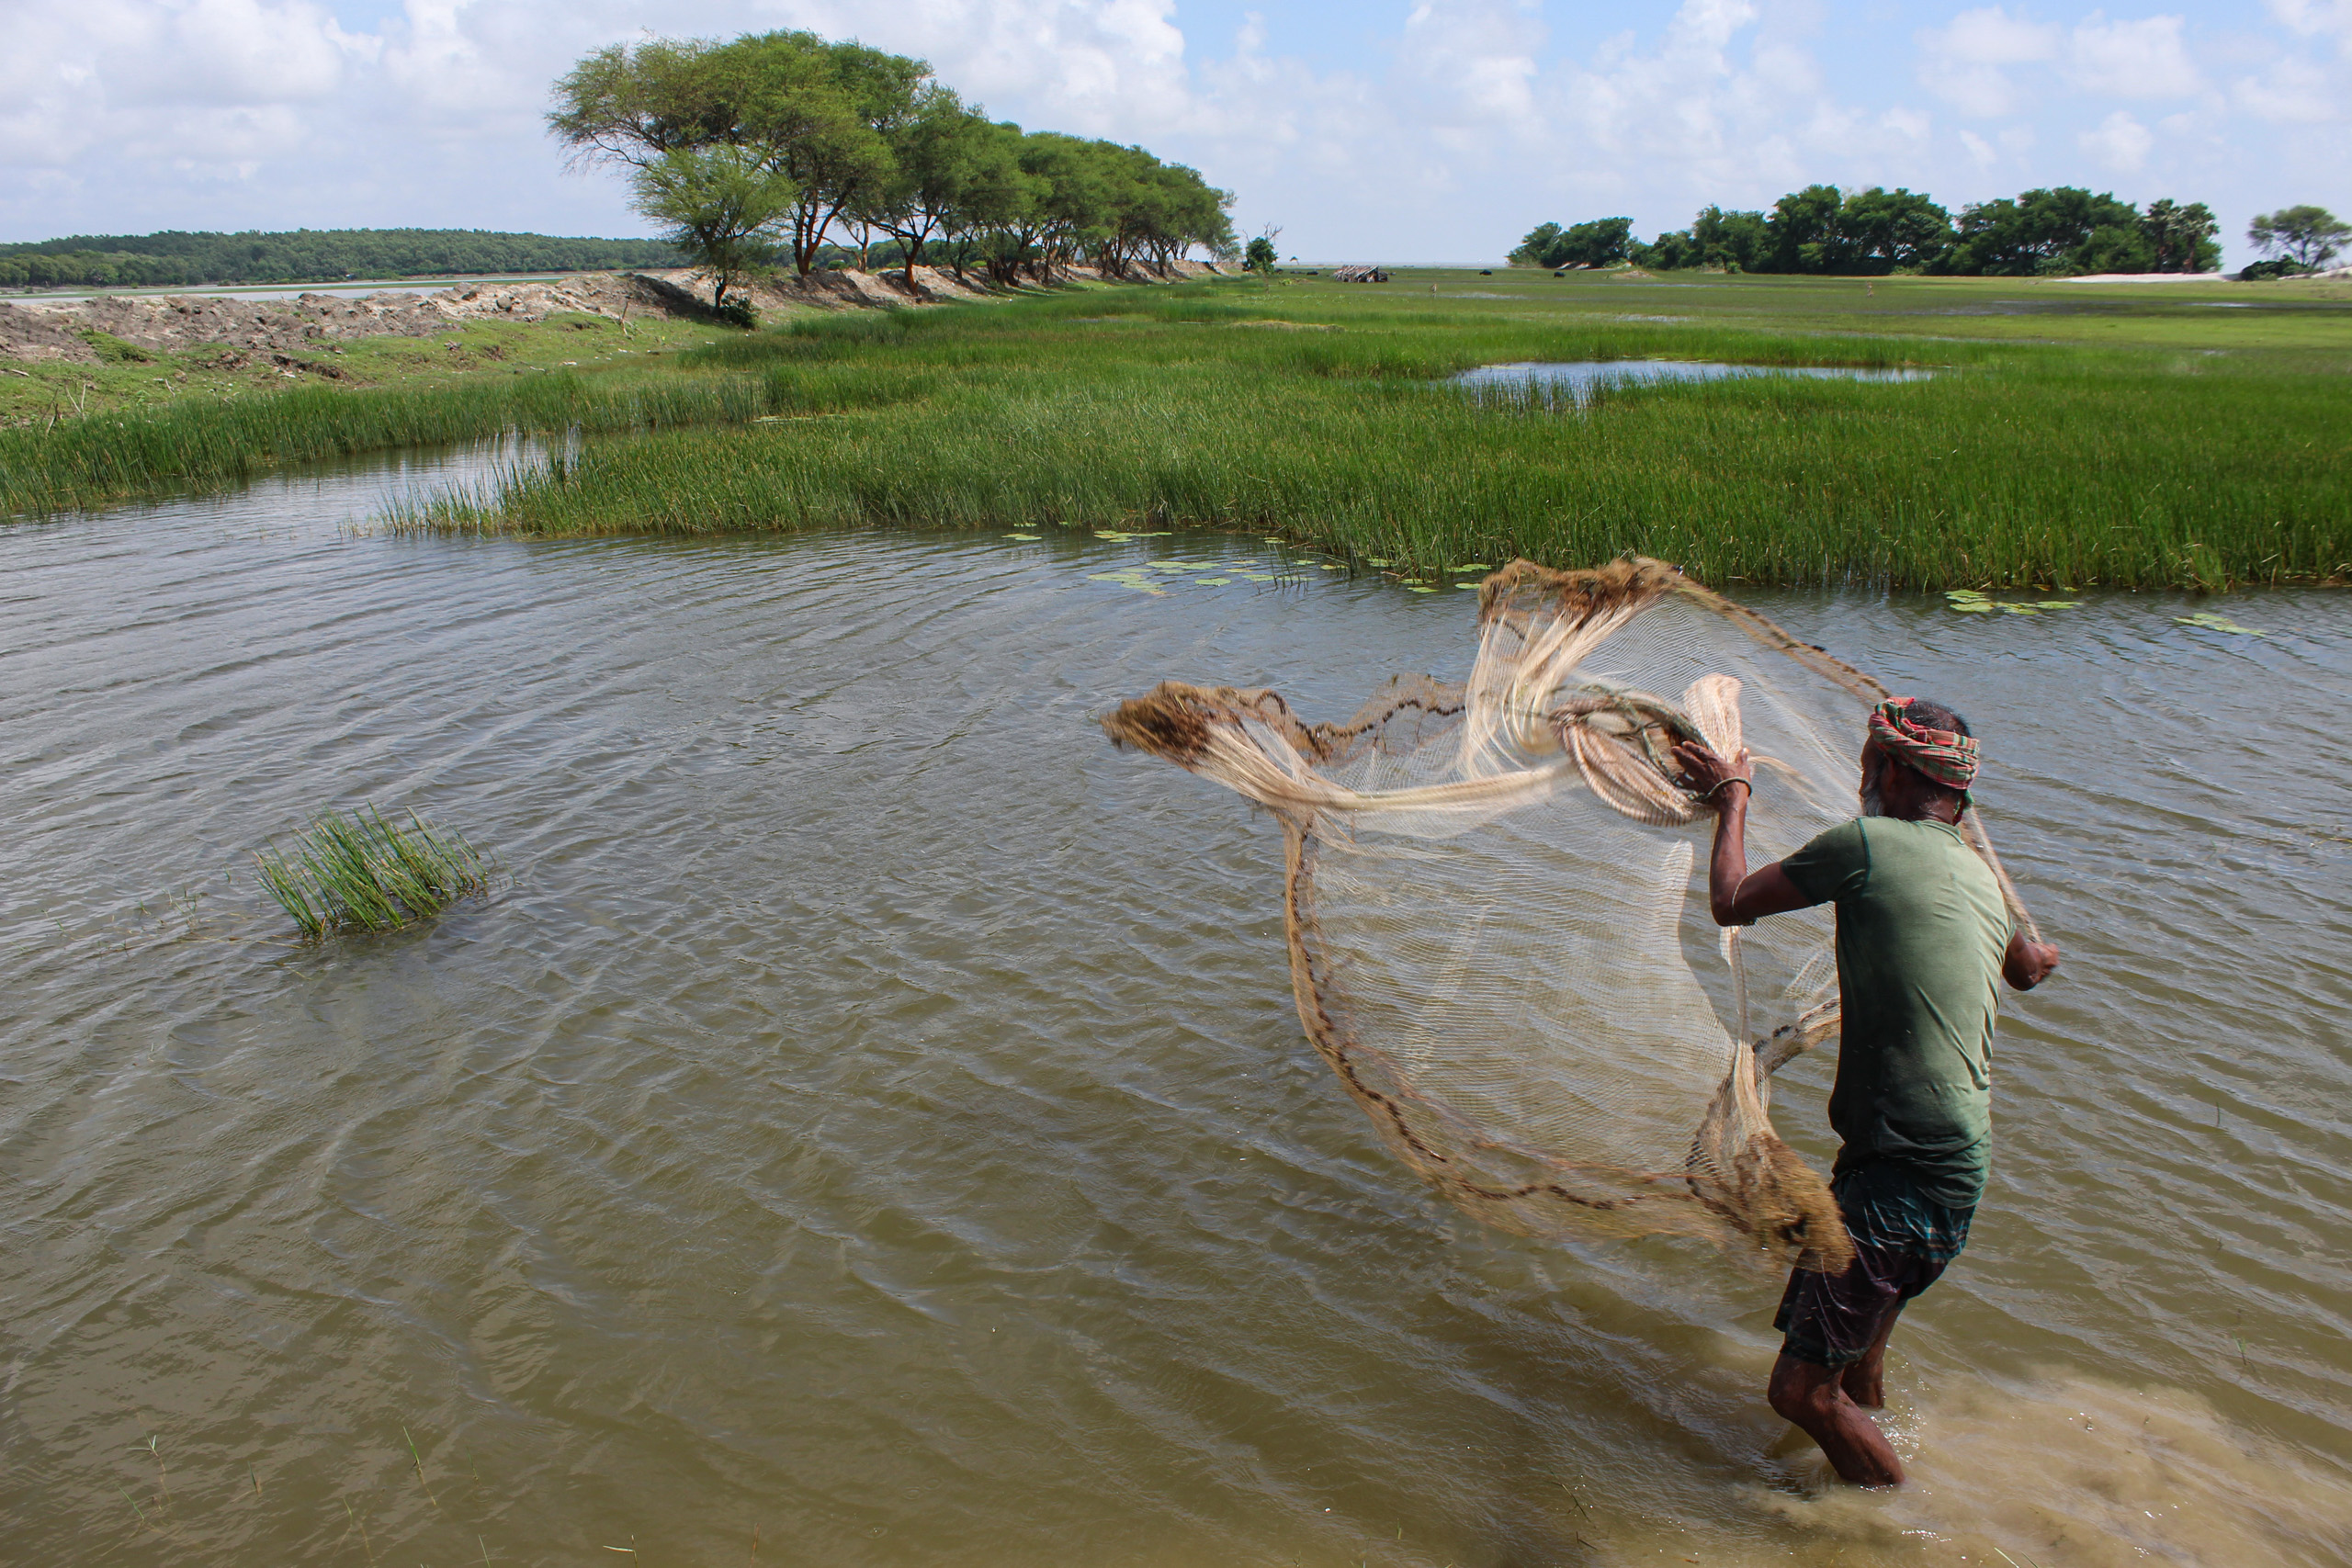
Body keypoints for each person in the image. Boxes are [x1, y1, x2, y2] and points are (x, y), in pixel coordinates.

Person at [1670, 697, 2060, 1487]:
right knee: (1854, 1373)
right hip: (1956, 1170)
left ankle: (1894, 1526)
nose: (1858, 781)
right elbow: (2024, 969)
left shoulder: (1870, 846)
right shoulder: (1976, 873)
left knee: (1799, 1390)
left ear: (1889, 770)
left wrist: (1732, 795)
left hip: (1900, 1172)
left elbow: (1730, 900)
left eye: (1863, 765)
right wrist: (2041, 953)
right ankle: (1875, 1450)